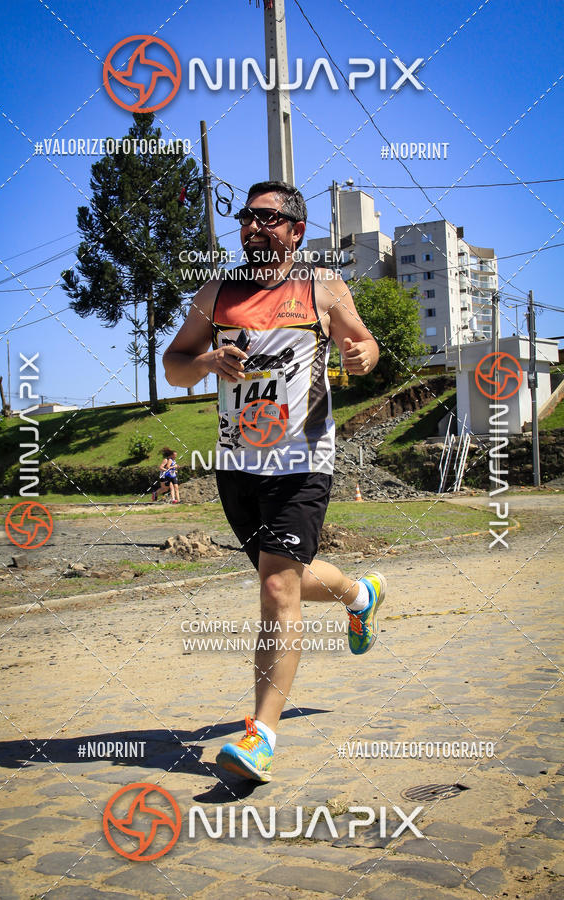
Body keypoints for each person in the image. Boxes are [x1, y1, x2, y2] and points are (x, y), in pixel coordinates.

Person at [163, 180, 386, 783]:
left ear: (295, 231)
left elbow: (362, 342)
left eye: (267, 219)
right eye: (246, 218)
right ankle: (359, 595)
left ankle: (260, 736)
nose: (253, 227)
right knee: (281, 580)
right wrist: (206, 362)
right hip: (238, 466)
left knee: (276, 593)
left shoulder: (322, 287)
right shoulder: (217, 293)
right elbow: (174, 363)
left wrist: (362, 354)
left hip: (303, 459)